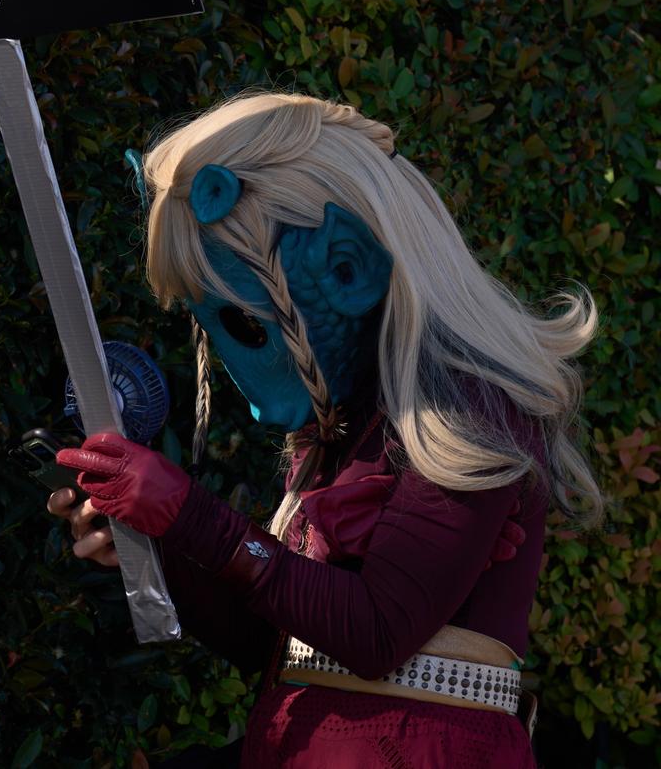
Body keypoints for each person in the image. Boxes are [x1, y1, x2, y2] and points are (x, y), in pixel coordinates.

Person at [46, 93, 600, 768]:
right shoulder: (341, 426)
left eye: (245, 323)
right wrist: (152, 549)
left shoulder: (471, 406)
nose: (229, 357)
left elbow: (376, 630)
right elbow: (279, 643)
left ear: (346, 267)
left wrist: (189, 516)